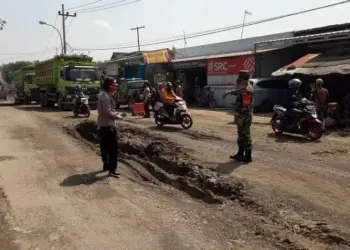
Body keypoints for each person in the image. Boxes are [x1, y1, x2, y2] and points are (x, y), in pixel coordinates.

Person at [223, 70, 254, 163]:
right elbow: (238, 91)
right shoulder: (244, 87)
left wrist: (241, 118)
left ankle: (248, 156)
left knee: (246, 136)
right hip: (242, 115)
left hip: (245, 116)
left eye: (239, 77)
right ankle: (240, 154)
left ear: (242, 78)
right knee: (241, 135)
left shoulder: (247, 89)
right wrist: (229, 92)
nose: (237, 79)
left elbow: (246, 106)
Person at [97, 76, 124, 177]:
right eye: (114, 85)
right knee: (113, 149)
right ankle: (112, 170)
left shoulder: (105, 95)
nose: (115, 87)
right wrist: (119, 117)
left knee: (105, 147)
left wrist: (117, 113)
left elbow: (109, 110)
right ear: (109, 85)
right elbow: (108, 113)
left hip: (103, 126)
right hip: (108, 126)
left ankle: (106, 166)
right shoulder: (105, 96)